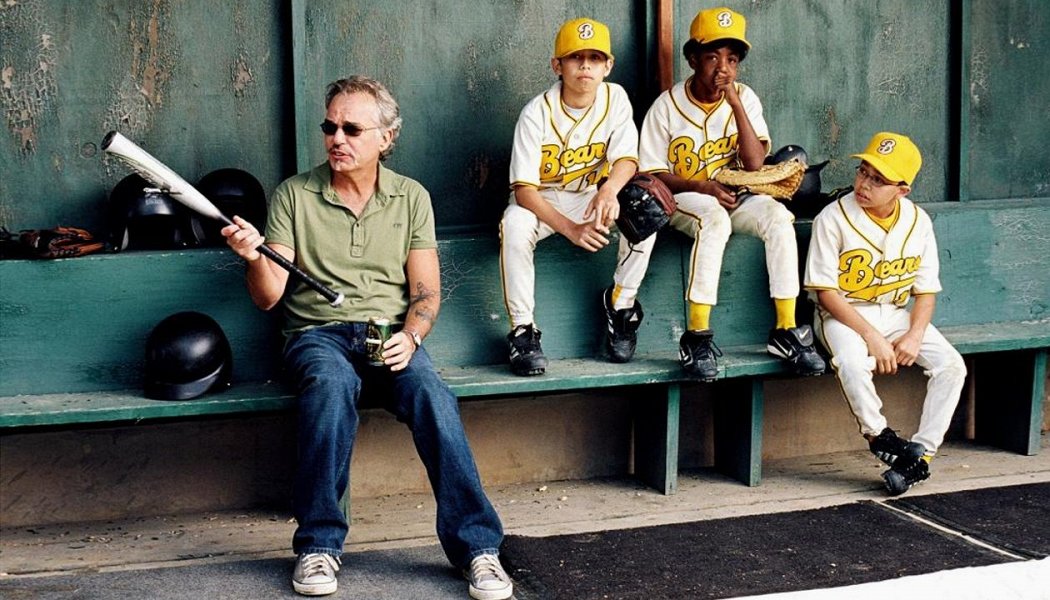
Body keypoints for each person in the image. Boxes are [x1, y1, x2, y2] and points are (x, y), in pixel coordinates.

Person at [222, 76, 512, 599]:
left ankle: (478, 549)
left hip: (390, 335)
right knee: (329, 388)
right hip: (317, 335)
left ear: (386, 137)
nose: (337, 138)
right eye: (330, 127)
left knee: (433, 396)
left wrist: (412, 336)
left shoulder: (410, 197)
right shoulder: (294, 195)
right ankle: (318, 546)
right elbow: (269, 297)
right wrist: (253, 257)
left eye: (352, 129)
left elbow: (425, 293)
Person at [637, 7, 825, 381]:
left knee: (778, 217)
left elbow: (754, 165)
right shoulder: (667, 107)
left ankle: (785, 329)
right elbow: (653, 173)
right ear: (693, 59)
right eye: (712, 57)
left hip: (735, 194)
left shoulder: (744, 98)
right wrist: (701, 186)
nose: (723, 68)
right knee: (714, 219)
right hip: (685, 197)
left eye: (732, 59)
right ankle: (696, 337)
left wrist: (735, 103)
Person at [803, 132, 967, 496]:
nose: (865, 184)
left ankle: (920, 456)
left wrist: (914, 335)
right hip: (843, 315)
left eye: (879, 179)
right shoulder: (833, 217)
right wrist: (871, 337)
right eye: (863, 171)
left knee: (952, 366)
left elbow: (925, 291)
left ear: (902, 190)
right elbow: (826, 293)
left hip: (894, 312)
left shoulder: (918, 221)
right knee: (851, 362)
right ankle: (880, 437)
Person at [500, 17, 656, 376]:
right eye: (575, 57)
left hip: (591, 195)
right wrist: (570, 229)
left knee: (646, 211)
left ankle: (621, 304)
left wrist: (610, 189)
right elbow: (524, 191)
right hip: (544, 201)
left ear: (608, 66)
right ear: (557, 65)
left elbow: (626, 159)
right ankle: (523, 331)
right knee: (514, 224)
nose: (586, 65)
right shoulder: (536, 113)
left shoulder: (615, 98)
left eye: (595, 58)